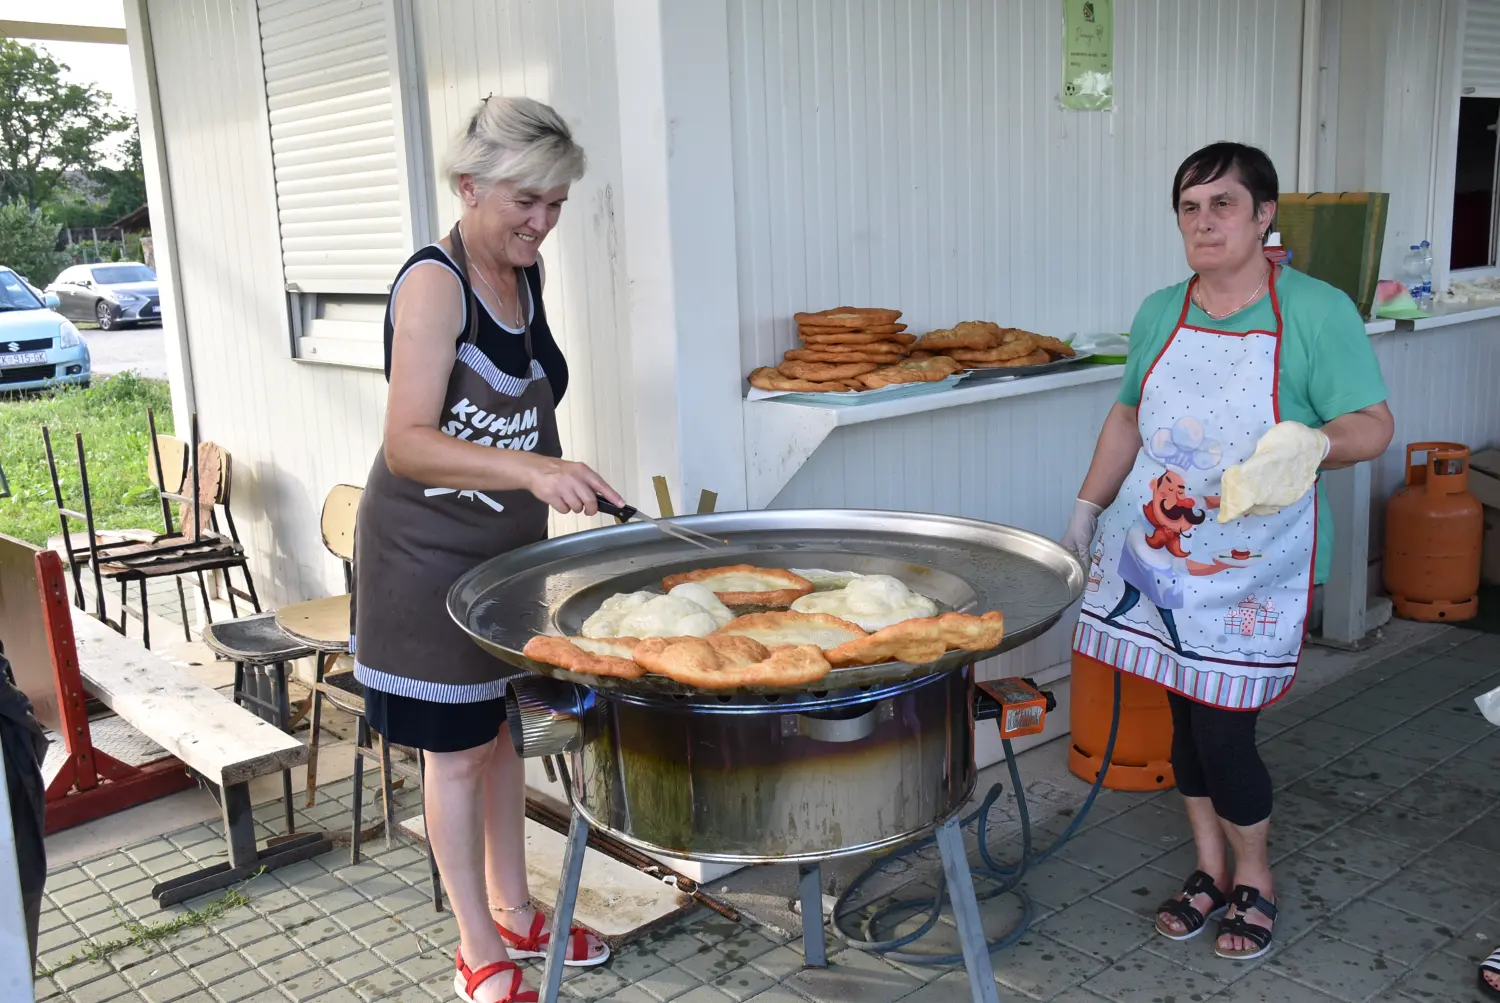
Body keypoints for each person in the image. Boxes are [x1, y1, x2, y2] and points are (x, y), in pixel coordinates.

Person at [1060, 142, 1394, 961]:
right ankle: (1208, 866)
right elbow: (1128, 416)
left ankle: (1255, 876)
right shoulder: (1159, 311)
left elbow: (1373, 426)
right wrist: (1087, 506)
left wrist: (1311, 445)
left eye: (1223, 204)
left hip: (1256, 567)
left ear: (1263, 214)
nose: (1204, 222)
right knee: (1184, 717)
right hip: (1162, 556)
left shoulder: (1316, 311)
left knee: (1223, 730)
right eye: (1189, 206)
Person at [351, 96, 621, 1003]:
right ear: (469, 187)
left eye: (556, 204)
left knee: (506, 739)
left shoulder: (521, 274)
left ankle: (515, 908)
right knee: (459, 754)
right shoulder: (437, 284)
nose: (542, 222)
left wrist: (558, 478)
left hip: (504, 563)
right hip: (422, 560)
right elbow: (407, 443)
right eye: (526, 201)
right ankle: (477, 946)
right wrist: (534, 469)